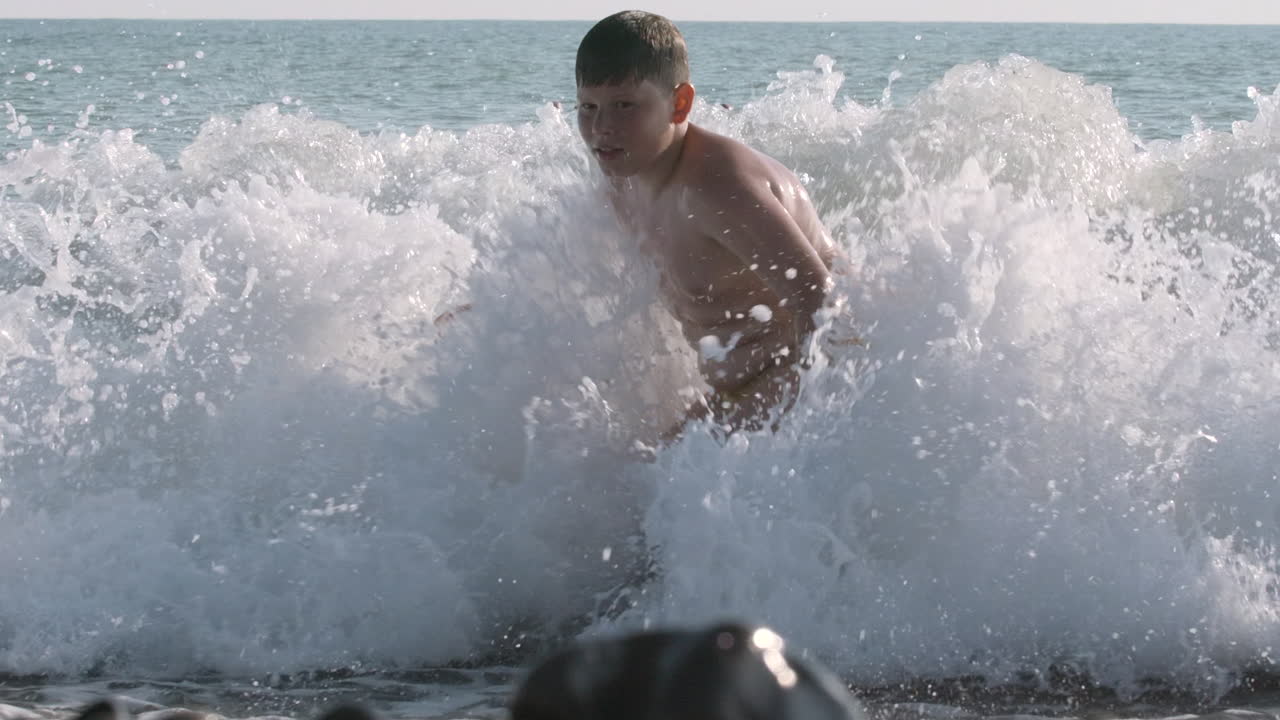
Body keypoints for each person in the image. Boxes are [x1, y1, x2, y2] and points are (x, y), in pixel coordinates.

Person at [576, 10, 839, 439]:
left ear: (679, 104)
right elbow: (575, 272)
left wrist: (819, 416)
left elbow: (824, 303)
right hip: (736, 389)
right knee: (632, 471)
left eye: (624, 105)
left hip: (799, 369)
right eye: (588, 107)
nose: (601, 127)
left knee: (662, 472)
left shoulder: (717, 188)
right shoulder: (622, 182)